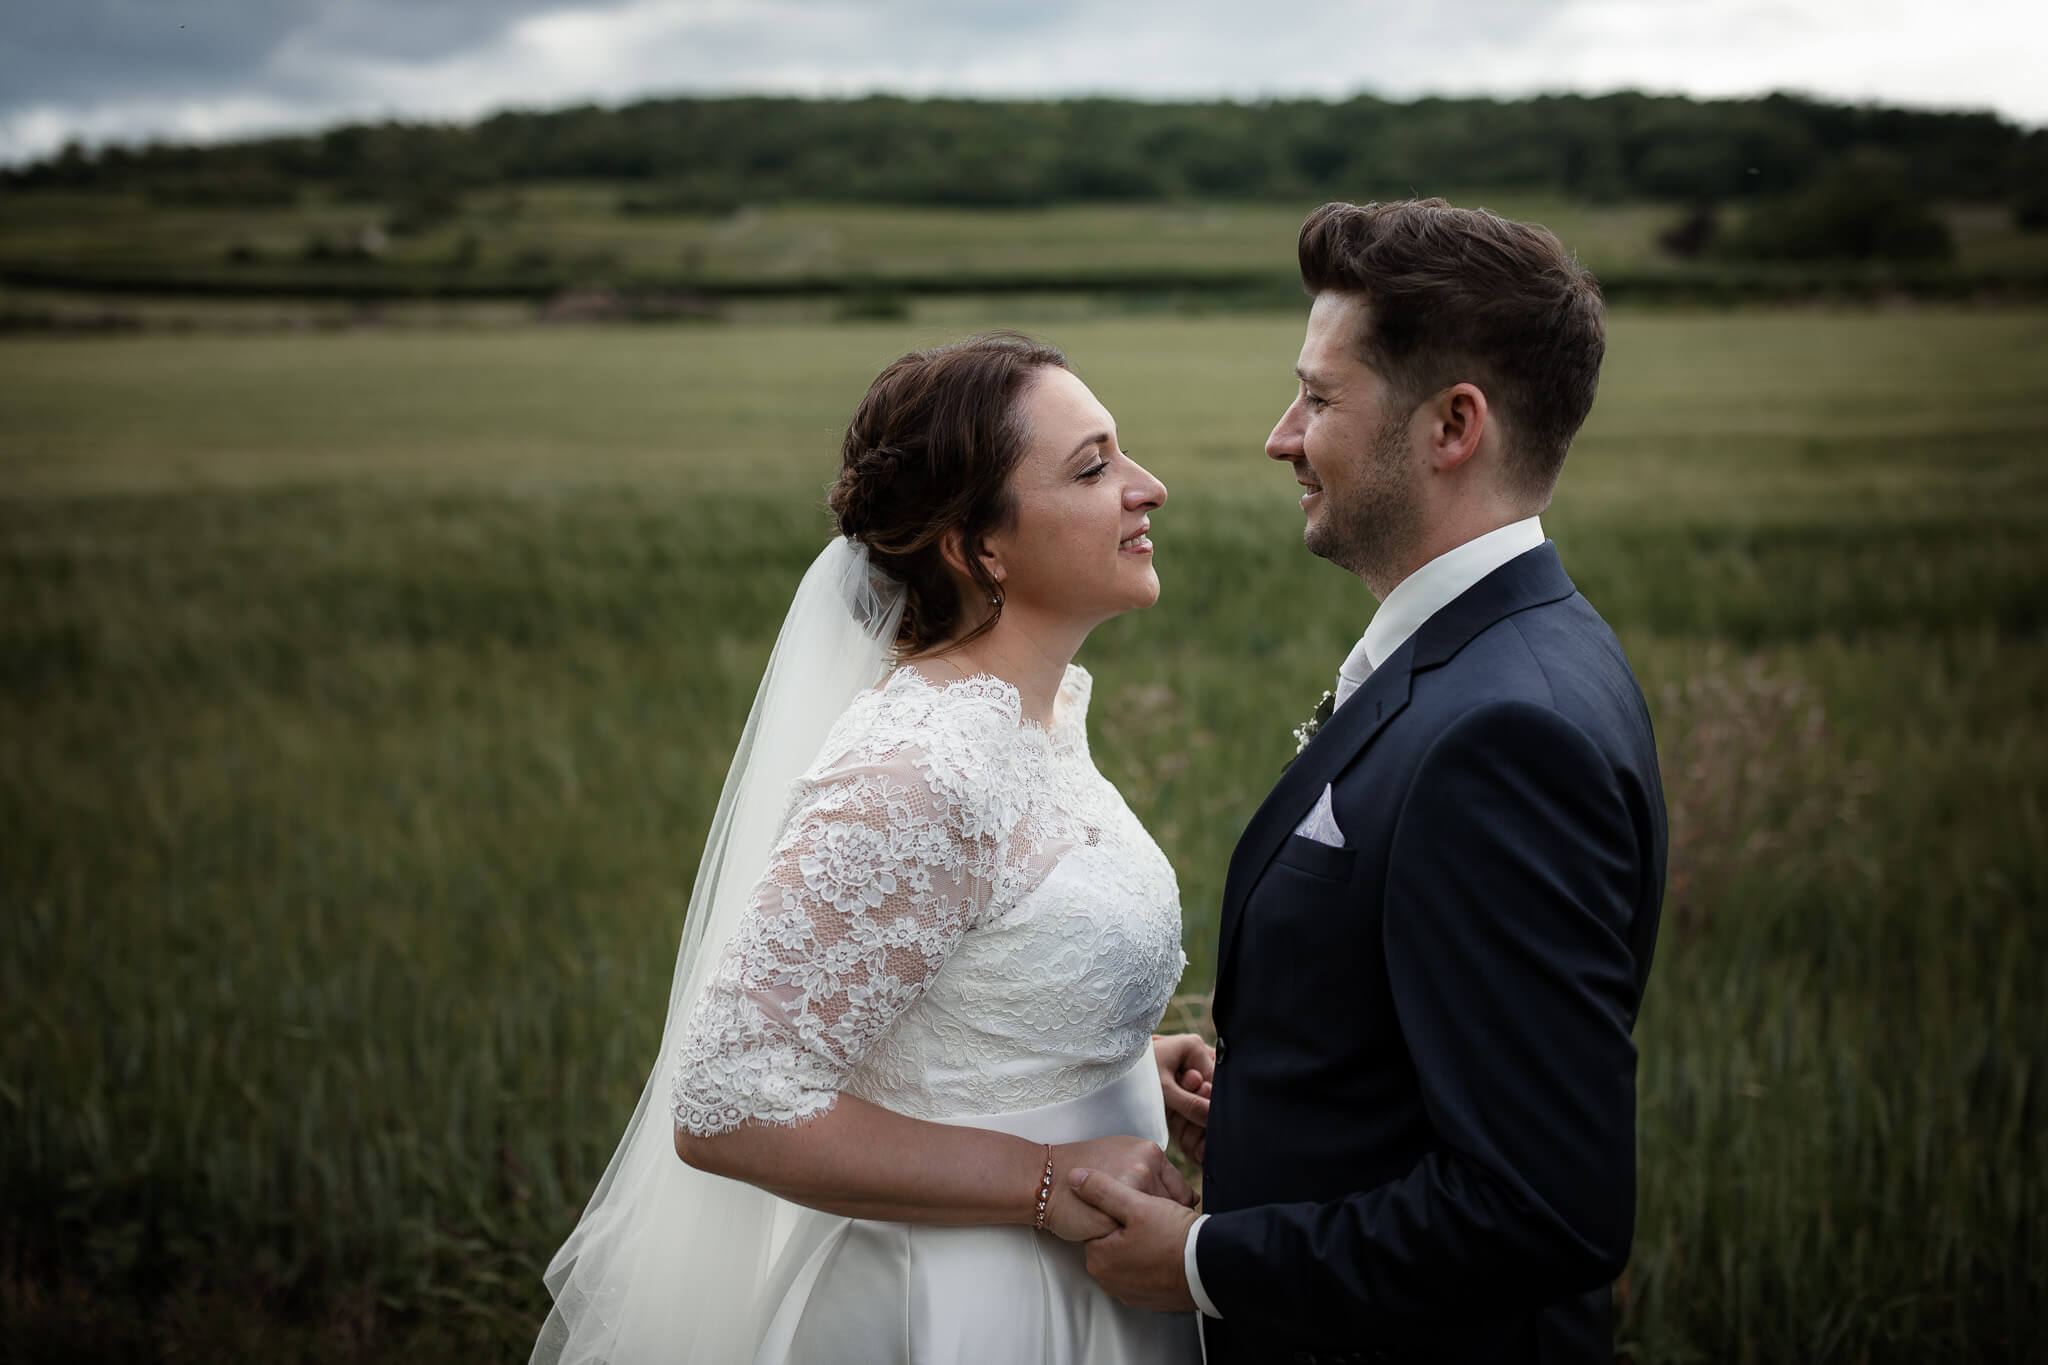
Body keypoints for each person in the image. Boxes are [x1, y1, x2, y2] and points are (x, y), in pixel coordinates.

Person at [532, 332, 1212, 1365]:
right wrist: (1043, 1177)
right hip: (967, 1302)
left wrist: (1115, 1068)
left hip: (1090, 1272)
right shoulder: (916, 771)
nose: (1145, 487)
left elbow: (973, 991)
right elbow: (731, 1101)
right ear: (975, 547)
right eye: (1092, 467)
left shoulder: (1033, 721)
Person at [1069, 200, 1669, 1364]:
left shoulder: (1502, 735)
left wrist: (1201, 1265)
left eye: (1319, 397)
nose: (1279, 436)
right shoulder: (1512, 647)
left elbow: (1543, 1210)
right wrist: (1277, 1091)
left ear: (1452, 425)